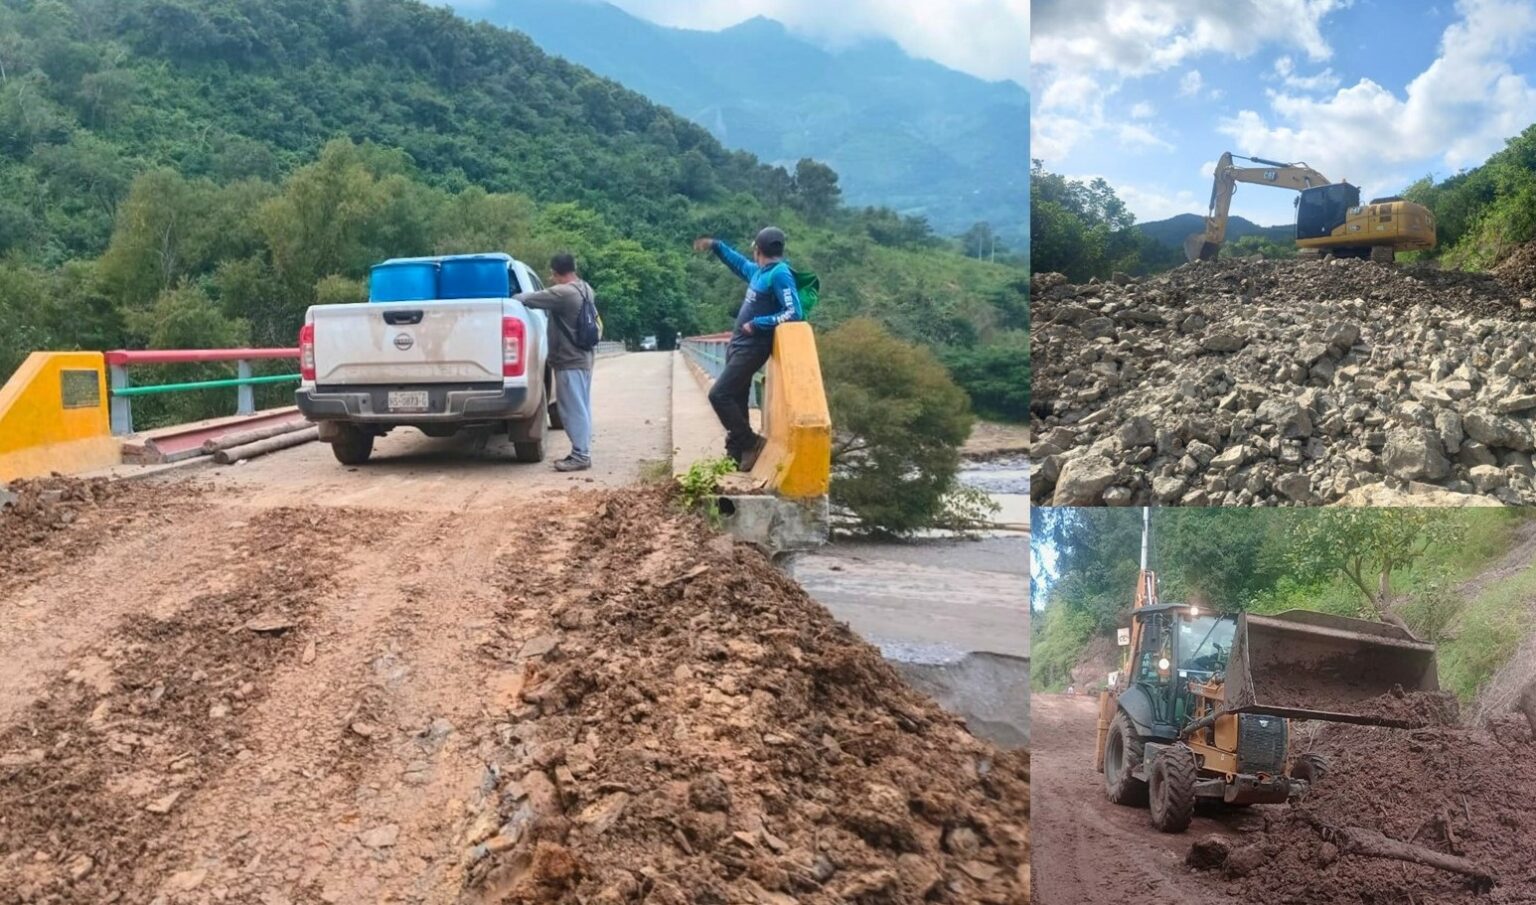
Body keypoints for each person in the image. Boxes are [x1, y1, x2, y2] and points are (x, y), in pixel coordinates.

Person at [691, 226, 803, 470]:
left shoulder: (780, 274)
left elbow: (794, 312)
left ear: (758, 249)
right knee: (737, 399)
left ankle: (751, 442)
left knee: (719, 395)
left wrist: (759, 323)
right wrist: (716, 246)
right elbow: (737, 263)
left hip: (753, 347)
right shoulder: (760, 272)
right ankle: (735, 455)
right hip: (738, 345)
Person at [514, 253, 595, 472]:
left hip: (569, 360)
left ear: (556, 272)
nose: (551, 277)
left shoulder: (563, 293)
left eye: (552, 273)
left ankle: (580, 455)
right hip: (584, 358)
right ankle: (582, 450)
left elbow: (527, 299)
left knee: (572, 409)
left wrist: (512, 296)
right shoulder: (585, 288)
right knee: (582, 406)